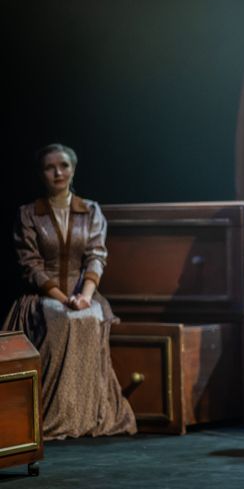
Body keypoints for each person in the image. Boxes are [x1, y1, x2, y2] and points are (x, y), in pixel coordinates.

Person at [3, 144, 136, 440]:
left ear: (73, 169)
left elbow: (96, 256)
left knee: (88, 318)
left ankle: (85, 414)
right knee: (60, 319)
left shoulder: (91, 210)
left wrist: (85, 296)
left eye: (63, 166)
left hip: (84, 292)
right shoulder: (29, 214)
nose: (58, 172)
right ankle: (51, 415)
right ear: (41, 174)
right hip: (44, 295)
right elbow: (30, 265)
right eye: (50, 167)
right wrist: (64, 300)